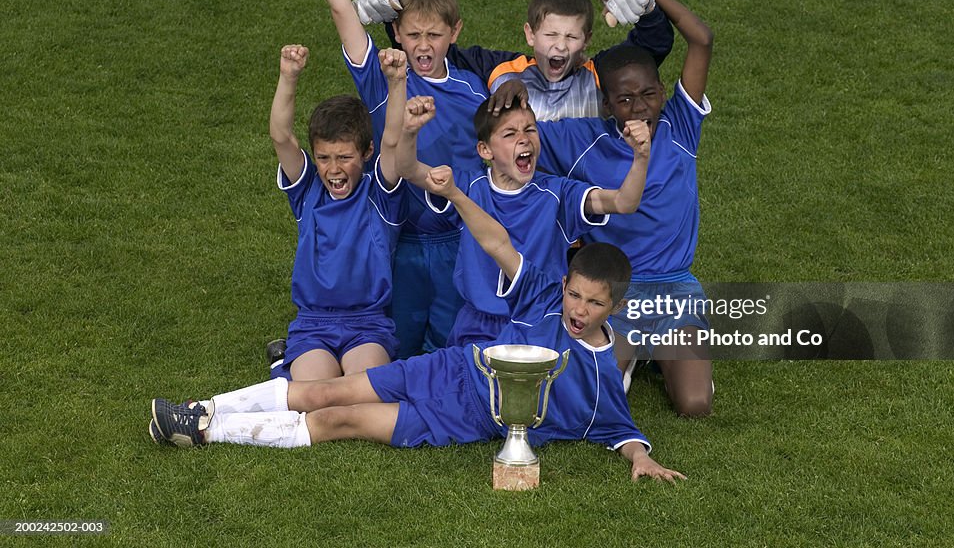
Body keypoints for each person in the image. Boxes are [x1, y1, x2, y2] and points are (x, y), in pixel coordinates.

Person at [149, 166, 685, 483]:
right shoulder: (544, 293)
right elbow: (498, 242)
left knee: (345, 420)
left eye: (591, 304)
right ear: (564, 285)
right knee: (324, 391)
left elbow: (622, 432)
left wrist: (642, 459)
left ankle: (204, 431)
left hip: (464, 418)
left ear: (613, 307)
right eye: (574, 295)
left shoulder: (601, 374)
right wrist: (455, 195)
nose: (576, 310)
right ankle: (202, 408)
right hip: (447, 370)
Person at [292, 0, 489, 360]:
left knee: (450, 348)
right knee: (391, 350)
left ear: (454, 32)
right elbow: (342, 10)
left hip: (456, 238)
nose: (423, 46)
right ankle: (307, 346)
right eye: (414, 34)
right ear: (396, 32)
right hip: (396, 238)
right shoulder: (382, 78)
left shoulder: (474, 90)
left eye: (434, 35)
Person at [534, 0, 716, 417]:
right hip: (613, 294)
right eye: (626, 99)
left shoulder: (680, 128)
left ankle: (661, 352)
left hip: (675, 287)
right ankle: (633, 348)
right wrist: (513, 95)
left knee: (694, 405)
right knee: (594, 399)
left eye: (650, 94)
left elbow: (702, 38)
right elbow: (517, 141)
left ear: (664, 93)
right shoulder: (580, 140)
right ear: (606, 104)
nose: (640, 106)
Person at [392, 85, 650, 347]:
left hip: (540, 321)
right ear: (485, 150)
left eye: (530, 129)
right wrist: (409, 131)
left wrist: (641, 156)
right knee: (467, 384)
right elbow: (407, 168)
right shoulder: (469, 187)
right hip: (477, 324)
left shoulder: (558, 194)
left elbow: (623, 202)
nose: (524, 139)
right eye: (510, 133)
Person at [266, 44, 409, 381]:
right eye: (324, 157)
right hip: (313, 323)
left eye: (344, 157)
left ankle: (282, 368)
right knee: (314, 393)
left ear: (366, 152)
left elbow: (393, 140)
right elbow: (281, 136)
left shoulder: (380, 194)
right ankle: (284, 365)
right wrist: (288, 75)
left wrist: (397, 81)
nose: (333, 169)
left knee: (362, 389)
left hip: (368, 324)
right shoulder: (307, 190)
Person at [356, 0, 674, 121]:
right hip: (523, 218)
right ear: (530, 34)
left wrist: (648, 12)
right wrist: (393, 18)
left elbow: (649, 50)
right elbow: (435, 53)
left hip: (591, 216)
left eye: (571, 37)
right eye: (550, 35)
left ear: (587, 40)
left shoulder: (600, 74)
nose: (560, 47)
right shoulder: (498, 69)